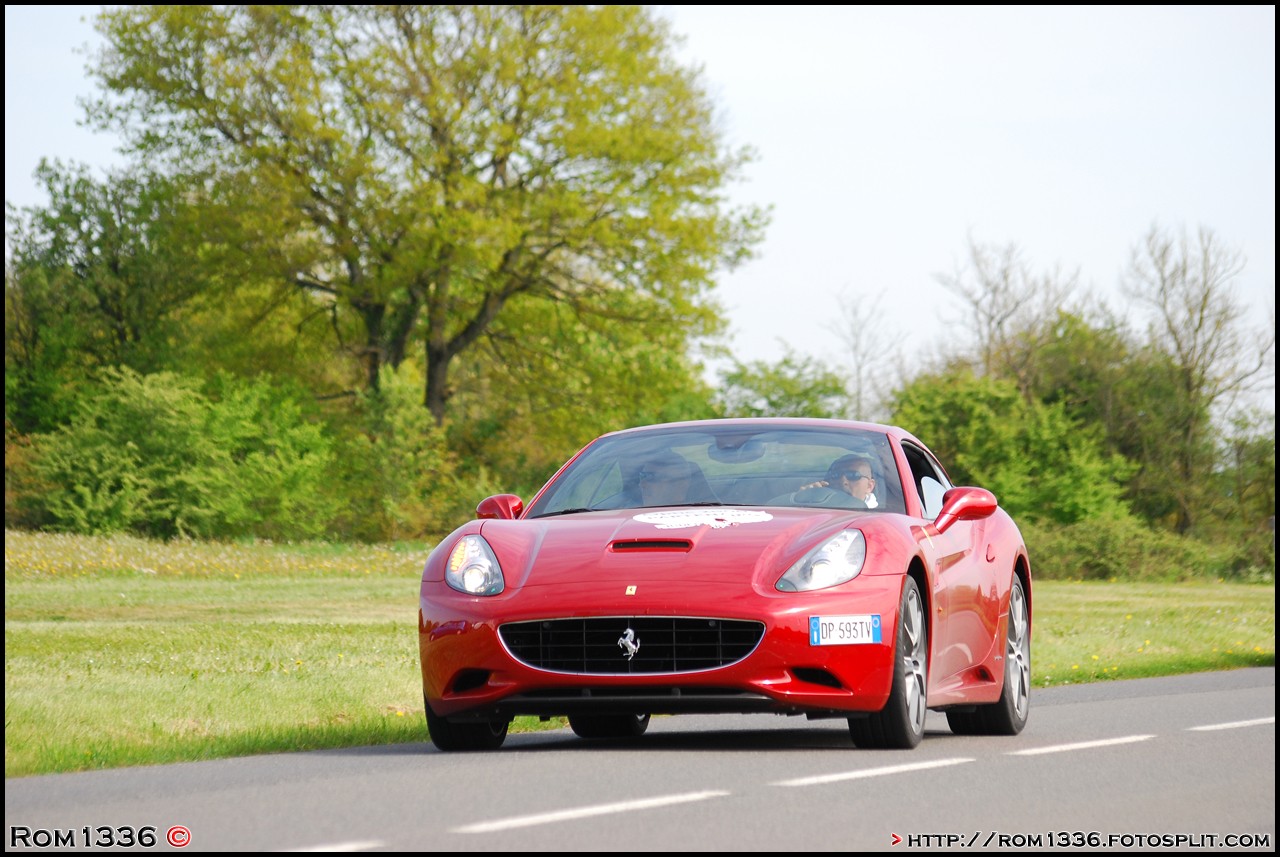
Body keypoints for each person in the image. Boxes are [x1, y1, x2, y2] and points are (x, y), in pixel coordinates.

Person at [794, 454, 879, 509]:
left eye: (853, 475)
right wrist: (804, 501)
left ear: (869, 486)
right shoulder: (821, 506)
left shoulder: (878, 519)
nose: (842, 481)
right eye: (836, 475)